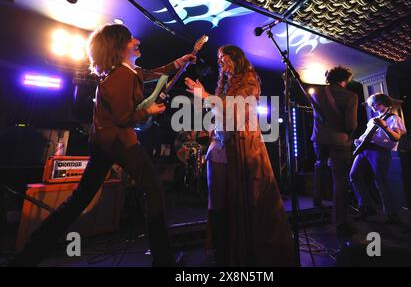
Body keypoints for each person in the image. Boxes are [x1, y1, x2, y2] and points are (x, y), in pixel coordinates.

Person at [8, 23, 195, 267]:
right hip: (119, 142)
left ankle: (27, 257)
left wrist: (177, 63)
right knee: (154, 190)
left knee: (78, 201)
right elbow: (123, 118)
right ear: (119, 46)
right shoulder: (120, 77)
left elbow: (150, 74)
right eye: (131, 39)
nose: (137, 40)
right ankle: (164, 261)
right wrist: (148, 110)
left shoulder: (126, 71)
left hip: (105, 143)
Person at [184, 45, 298, 266]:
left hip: (243, 145)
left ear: (236, 57)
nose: (220, 62)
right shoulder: (224, 83)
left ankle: (244, 252)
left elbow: (237, 110)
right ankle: (223, 249)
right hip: (221, 145)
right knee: (218, 199)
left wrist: (205, 95)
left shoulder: (250, 78)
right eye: (218, 59)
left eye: (223, 57)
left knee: (244, 198)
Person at [310, 66, 358, 234]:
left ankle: (317, 200)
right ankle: (340, 221)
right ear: (344, 80)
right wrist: (350, 135)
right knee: (340, 179)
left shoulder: (316, 93)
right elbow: (351, 124)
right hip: (339, 141)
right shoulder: (351, 96)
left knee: (319, 165)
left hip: (319, 138)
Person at [350, 93, 406, 224]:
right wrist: (358, 141)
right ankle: (366, 206)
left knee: (381, 181)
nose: (372, 107)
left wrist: (384, 126)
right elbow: (366, 136)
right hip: (365, 150)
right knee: (354, 175)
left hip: (380, 151)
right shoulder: (372, 120)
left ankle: (392, 214)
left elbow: (396, 138)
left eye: (373, 104)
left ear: (382, 103)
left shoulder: (394, 118)